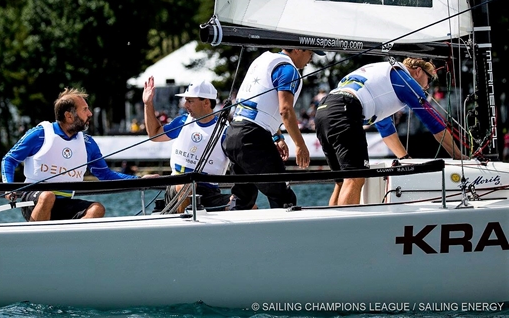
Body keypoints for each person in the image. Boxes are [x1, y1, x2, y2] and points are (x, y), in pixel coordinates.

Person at [314, 57, 464, 206]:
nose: (427, 86)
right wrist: (459, 156)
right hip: (346, 108)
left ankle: (333, 221)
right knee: (355, 177)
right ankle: (348, 222)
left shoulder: (382, 77)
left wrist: (405, 158)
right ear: (418, 71)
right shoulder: (403, 78)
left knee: (341, 181)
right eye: (429, 79)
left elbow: (386, 128)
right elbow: (433, 122)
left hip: (324, 109)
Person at [1, 87, 137, 221]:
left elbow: (106, 175)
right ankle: (36, 235)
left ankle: (71, 236)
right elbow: (9, 160)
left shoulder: (88, 143)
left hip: (64, 202)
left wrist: (139, 180)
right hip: (33, 199)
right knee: (47, 196)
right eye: (85, 109)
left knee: (96, 209)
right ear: (69, 116)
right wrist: (9, 188)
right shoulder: (40, 134)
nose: (90, 113)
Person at [225, 48, 323, 210]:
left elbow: (261, 103)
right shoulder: (288, 69)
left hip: (234, 133)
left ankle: (233, 225)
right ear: (298, 49)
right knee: (284, 197)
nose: (310, 59)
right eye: (310, 54)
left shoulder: (263, 60)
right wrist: (300, 145)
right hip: (252, 137)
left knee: (243, 197)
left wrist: (277, 137)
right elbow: (285, 110)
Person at [143, 77, 230, 212]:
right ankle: (185, 222)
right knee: (186, 185)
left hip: (209, 193)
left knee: (248, 205)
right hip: (178, 187)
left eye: (190, 101)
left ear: (206, 103)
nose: (185, 105)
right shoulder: (183, 121)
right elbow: (154, 135)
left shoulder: (225, 130)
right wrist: (148, 104)